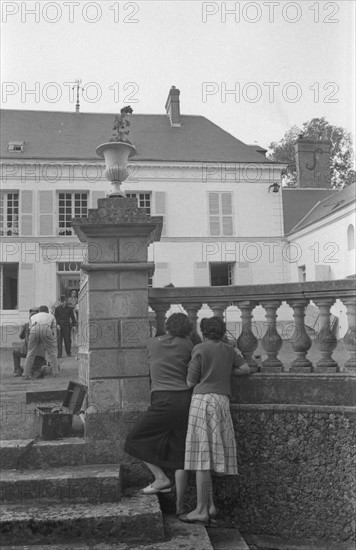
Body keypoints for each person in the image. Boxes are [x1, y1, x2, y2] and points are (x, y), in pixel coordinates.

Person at [179, 316, 255, 526]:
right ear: (221, 332)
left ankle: (201, 509)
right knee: (210, 456)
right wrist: (223, 372)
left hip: (202, 401)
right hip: (222, 401)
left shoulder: (199, 349)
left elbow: (190, 381)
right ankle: (210, 505)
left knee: (201, 458)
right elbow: (246, 369)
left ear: (203, 332)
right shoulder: (229, 350)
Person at [124, 313, 194, 516]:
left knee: (133, 439)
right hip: (185, 400)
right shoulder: (188, 344)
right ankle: (180, 507)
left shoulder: (152, 343)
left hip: (163, 400)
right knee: (181, 453)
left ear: (167, 326)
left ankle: (161, 478)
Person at [23, 305, 59, 380]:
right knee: (52, 353)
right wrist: (54, 342)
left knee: (30, 353)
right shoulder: (51, 316)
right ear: (47, 311)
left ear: (39, 311)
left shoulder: (33, 316)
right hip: (46, 328)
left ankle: (26, 374)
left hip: (34, 329)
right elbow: (54, 330)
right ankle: (55, 372)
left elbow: (30, 328)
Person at [13, 308, 47, 378]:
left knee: (15, 352)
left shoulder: (26, 325)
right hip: (41, 353)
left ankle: (18, 370)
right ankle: (39, 370)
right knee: (34, 369)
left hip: (29, 351)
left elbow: (21, 336)